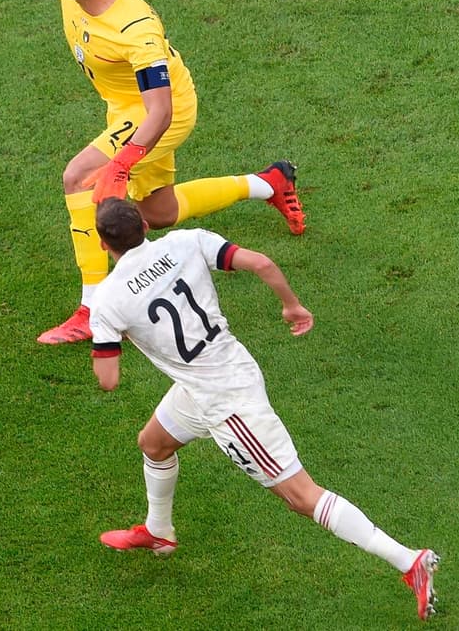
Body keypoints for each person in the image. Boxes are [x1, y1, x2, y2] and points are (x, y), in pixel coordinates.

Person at [8, 0, 306, 346]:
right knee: (159, 214)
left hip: (159, 113)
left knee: (80, 178)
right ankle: (271, 182)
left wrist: (120, 164)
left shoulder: (135, 29)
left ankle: (90, 308)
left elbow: (160, 110)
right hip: (126, 107)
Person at [88, 197, 439, 621]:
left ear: (104, 244)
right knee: (155, 443)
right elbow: (262, 264)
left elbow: (108, 380)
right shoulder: (186, 241)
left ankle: (409, 560)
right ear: (144, 223)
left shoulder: (107, 300)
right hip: (222, 372)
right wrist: (292, 305)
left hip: (227, 405)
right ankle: (159, 532)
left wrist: (113, 336)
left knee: (300, 496)